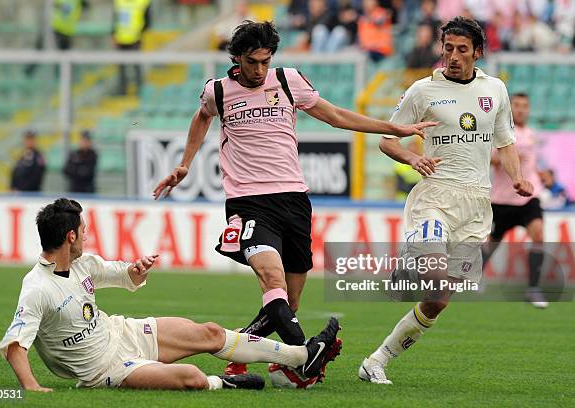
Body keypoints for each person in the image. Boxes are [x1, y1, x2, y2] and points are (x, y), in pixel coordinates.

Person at [152, 20, 435, 384]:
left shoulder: (288, 81)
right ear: (237, 58)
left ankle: (241, 351)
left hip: (294, 199)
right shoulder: (218, 92)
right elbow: (201, 118)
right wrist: (184, 164)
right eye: (252, 62)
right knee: (272, 279)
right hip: (248, 202)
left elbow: (334, 116)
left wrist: (392, 129)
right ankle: (304, 354)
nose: (259, 70)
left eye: (265, 62)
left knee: (290, 303)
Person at [0, 198, 340, 391]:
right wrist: (31, 386)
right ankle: (224, 383)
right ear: (70, 236)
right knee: (190, 376)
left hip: (122, 332)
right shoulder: (37, 288)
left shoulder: (82, 264)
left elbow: (120, 273)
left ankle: (300, 357)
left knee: (208, 332)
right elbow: (15, 345)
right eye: (84, 230)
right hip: (105, 369)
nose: (88, 236)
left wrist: (137, 270)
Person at [360, 17, 534, 385]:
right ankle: (409, 266)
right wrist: (411, 158)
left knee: (438, 300)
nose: (453, 56)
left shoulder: (496, 91)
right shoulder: (422, 91)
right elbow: (387, 139)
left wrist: (517, 177)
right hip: (435, 195)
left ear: (477, 52)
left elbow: (505, 143)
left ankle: (377, 360)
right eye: (448, 49)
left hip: (476, 206)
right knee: (433, 272)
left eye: (462, 50)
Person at [482, 93, 547, 308]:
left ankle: (533, 288)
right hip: (503, 198)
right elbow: (489, 159)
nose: (520, 110)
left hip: (530, 196)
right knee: (493, 241)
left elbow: (532, 163)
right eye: (516, 106)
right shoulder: (501, 131)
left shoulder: (531, 134)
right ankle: (477, 275)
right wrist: (509, 158)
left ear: (528, 109)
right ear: (510, 109)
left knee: (538, 234)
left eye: (524, 106)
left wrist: (541, 174)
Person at [113, 0, 152, 95]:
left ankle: (140, 91)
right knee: (121, 67)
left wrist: (139, 32)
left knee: (136, 66)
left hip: (135, 39)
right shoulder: (119, 2)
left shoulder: (142, 2)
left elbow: (148, 22)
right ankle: (122, 91)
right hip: (120, 39)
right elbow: (115, 19)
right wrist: (113, 34)